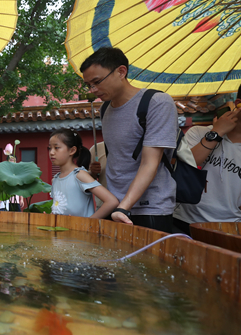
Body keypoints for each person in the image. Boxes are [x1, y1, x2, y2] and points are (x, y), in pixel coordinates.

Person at [80, 47, 178, 231]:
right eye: (89, 85)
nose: (93, 90)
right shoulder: (105, 109)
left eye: (97, 82)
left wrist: (123, 208)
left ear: (121, 72)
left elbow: (150, 163)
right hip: (113, 204)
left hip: (150, 208)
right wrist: (114, 205)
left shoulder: (157, 102)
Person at [173, 103, 241, 232]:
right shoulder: (198, 132)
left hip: (230, 225)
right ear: (238, 103)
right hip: (184, 220)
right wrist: (217, 132)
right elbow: (188, 164)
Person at [48, 129, 119, 218]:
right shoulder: (55, 179)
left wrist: (89, 223)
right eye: (49, 148)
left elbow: (112, 201)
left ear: (72, 150)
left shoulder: (79, 175)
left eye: (56, 148)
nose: (51, 152)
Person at [88, 142, 108, 207]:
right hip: (104, 205)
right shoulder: (96, 149)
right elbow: (85, 182)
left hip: (134, 205)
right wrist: (92, 173)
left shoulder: (134, 145)